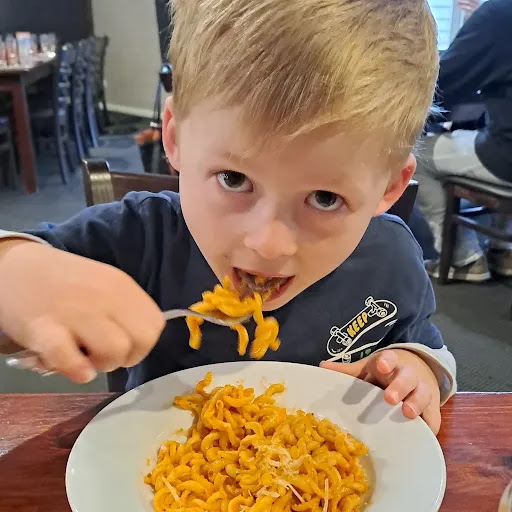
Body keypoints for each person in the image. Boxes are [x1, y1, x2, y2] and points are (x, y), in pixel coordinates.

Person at [0, 0, 456, 434]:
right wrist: (18, 273)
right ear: (175, 138)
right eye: (234, 179)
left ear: (389, 188)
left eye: (324, 198)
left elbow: (423, 347)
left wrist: (418, 369)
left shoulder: (389, 259)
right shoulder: (141, 237)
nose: (267, 243)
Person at [415, 0, 512, 282]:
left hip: (505, 156)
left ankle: (464, 258)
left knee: (416, 153)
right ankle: (503, 250)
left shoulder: (499, 14)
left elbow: (444, 83)